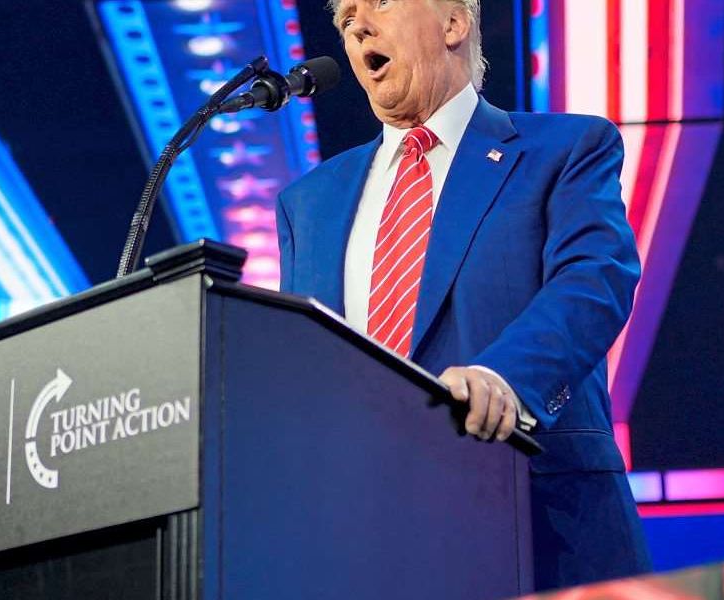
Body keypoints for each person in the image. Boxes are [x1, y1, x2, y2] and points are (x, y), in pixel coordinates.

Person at [276, 0, 651, 590]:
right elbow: (300, 366)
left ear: (454, 23)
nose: (359, 27)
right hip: (364, 547)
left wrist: (506, 379)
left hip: (536, 522)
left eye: (379, 4)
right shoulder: (308, 203)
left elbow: (593, 279)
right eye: (346, 19)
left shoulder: (565, 149)